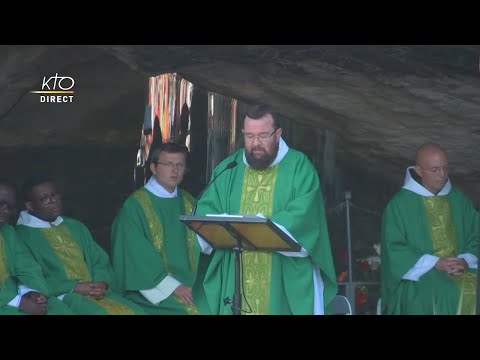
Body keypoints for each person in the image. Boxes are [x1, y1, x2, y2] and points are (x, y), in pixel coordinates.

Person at [194, 104, 338, 315]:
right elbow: (206, 209)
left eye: (263, 135)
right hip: (236, 274)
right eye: (249, 136)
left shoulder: (299, 167)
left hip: (284, 276)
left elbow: (305, 216)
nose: (256, 143)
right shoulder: (229, 168)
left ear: (278, 134)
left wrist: (258, 225)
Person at [15, 175, 144, 315]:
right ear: (30, 205)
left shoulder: (75, 226)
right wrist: (74, 287)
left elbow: (99, 260)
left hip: (95, 292)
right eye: (45, 198)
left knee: (137, 311)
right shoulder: (21, 236)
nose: (54, 201)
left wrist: (101, 282)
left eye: (55, 195)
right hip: (62, 297)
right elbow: (30, 278)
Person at [111, 142, 210, 315]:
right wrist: (173, 287)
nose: (175, 170)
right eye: (168, 164)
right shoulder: (135, 207)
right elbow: (136, 258)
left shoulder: (189, 202)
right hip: (151, 289)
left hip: (190, 284)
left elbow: (204, 244)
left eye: (180, 164)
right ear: (153, 168)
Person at [380, 143, 478, 315]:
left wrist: (464, 260)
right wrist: (435, 263)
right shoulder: (400, 205)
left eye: (445, 168)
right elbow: (393, 248)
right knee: (444, 293)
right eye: (435, 169)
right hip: (420, 273)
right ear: (419, 170)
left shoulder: (459, 200)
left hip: (462, 268)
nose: (442, 175)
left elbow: (475, 235)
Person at [0, 179, 74, 315]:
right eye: (1, 204)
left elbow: (26, 266)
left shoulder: (8, 232)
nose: (5, 210)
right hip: (6, 302)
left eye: (9, 207)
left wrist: (30, 292)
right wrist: (19, 302)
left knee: (57, 309)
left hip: (16, 297)